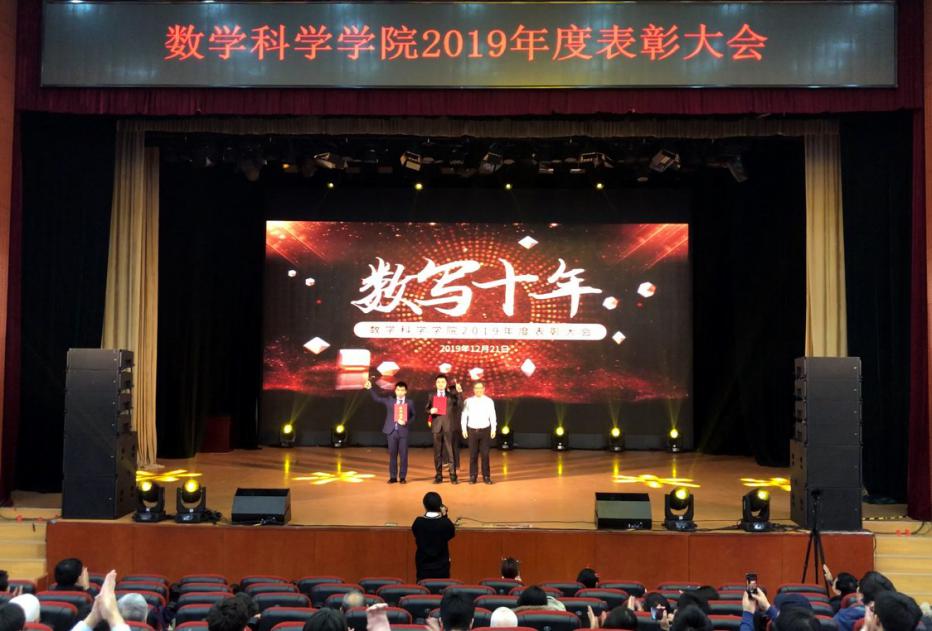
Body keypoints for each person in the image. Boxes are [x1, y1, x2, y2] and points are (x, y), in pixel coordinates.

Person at [365, 379, 416, 484]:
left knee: (403, 456)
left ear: (406, 391)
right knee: (392, 455)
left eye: (402, 390)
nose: (400, 392)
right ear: (395, 391)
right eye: (398, 390)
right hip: (391, 431)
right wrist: (370, 388)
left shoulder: (409, 402)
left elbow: (413, 416)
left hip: (403, 432)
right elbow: (377, 399)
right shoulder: (390, 400)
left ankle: (402, 477)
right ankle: (393, 477)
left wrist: (406, 422)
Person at [427, 375, 463, 484]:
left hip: (449, 427)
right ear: (436, 383)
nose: (440, 384)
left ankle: (453, 475)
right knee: (437, 453)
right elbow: (427, 408)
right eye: (438, 382)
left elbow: (460, 406)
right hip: (437, 427)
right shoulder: (432, 395)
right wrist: (430, 411)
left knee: (450, 451)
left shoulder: (451, 395)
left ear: (446, 384)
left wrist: (459, 393)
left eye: (443, 382)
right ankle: (439, 475)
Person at [412, 492, 456, 581]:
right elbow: (451, 533)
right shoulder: (445, 523)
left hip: (423, 567)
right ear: (440, 506)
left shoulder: (418, 522)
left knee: (423, 587)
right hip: (442, 568)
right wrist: (444, 516)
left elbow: (416, 533)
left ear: (424, 505)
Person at [461, 382, 496, 484]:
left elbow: (492, 415)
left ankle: (486, 476)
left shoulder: (489, 401)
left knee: (485, 455)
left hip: (485, 430)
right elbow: (464, 416)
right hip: (472, 430)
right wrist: (464, 429)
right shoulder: (468, 401)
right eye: (476, 388)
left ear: (484, 389)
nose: (478, 390)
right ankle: (473, 476)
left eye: (480, 388)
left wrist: (493, 429)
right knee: (473, 455)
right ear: (473, 389)